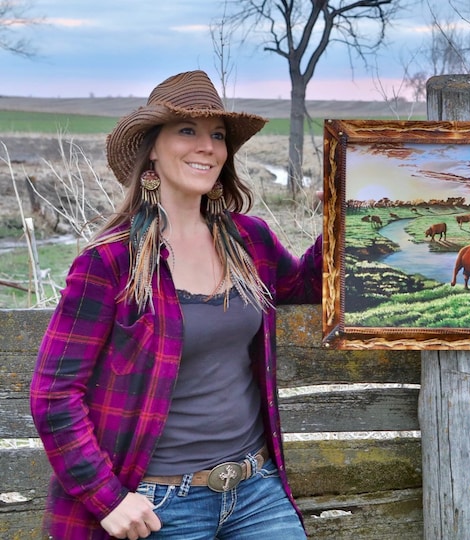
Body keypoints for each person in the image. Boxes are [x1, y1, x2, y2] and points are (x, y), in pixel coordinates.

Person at [30, 70, 322, 540]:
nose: (207, 146)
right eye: (187, 131)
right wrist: (108, 498)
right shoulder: (110, 261)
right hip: (161, 505)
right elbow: (53, 394)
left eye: (218, 135)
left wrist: (351, 214)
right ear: (152, 147)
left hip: (256, 490)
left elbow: (307, 286)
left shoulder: (250, 240)